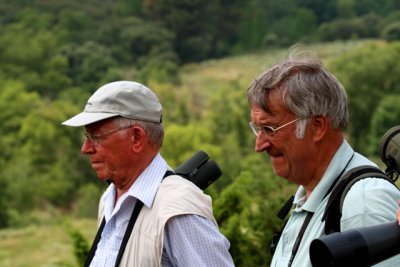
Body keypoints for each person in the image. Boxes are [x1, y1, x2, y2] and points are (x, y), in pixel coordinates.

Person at [246, 49, 400, 266]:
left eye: (270, 128)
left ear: (317, 126)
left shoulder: (363, 203)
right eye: (258, 129)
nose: (259, 145)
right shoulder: (310, 198)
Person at [62, 81, 234, 267]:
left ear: (136, 138)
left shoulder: (177, 211)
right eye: (86, 137)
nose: (85, 148)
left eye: (96, 137)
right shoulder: (109, 200)